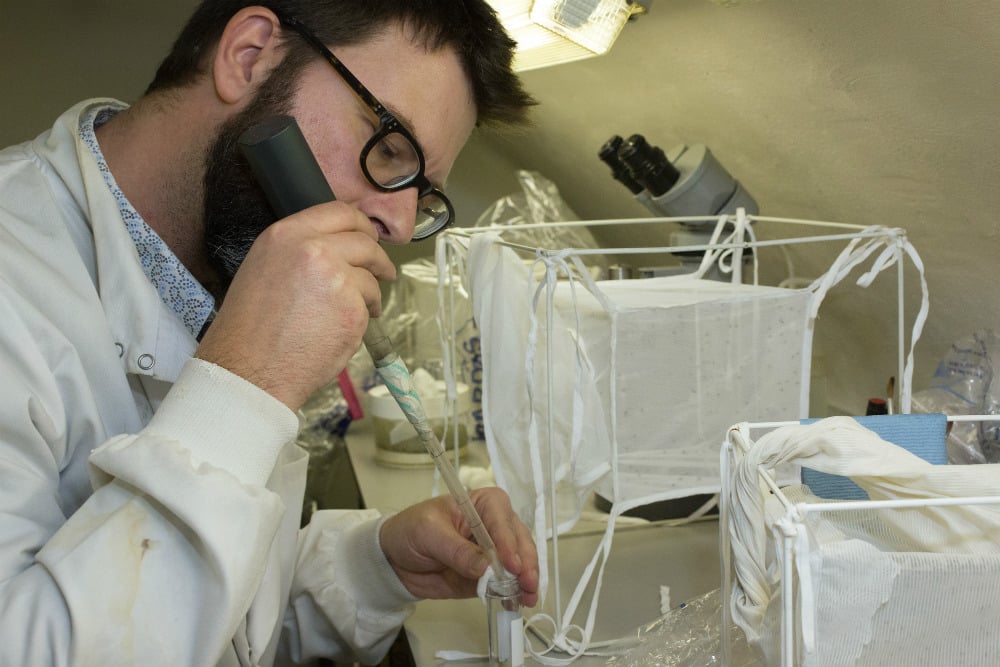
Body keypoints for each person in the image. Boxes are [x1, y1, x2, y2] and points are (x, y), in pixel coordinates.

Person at [0, 1, 539, 665]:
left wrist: (373, 568)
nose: (400, 224)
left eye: (422, 194)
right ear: (250, 55)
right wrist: (244, 387)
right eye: (390, 148)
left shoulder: (223, 266)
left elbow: (219, 631)